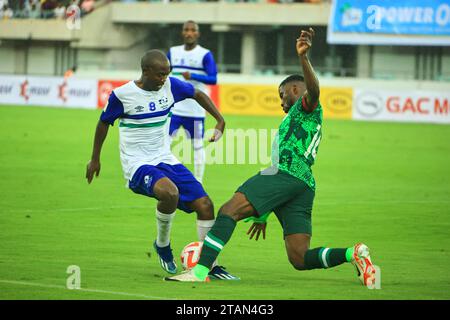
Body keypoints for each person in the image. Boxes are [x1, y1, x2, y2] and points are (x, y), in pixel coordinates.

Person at [166, 28, 377, 285]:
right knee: (299, 257)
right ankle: (353, 254)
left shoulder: (306, 107)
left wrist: (303, 57)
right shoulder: (293, 120)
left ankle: (199, 272)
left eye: (283, 95)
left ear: (297, 89)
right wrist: (263, 214)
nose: (281, 102)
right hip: (303, 184)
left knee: (228, 210)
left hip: (286, 174)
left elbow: (314, 89)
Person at [85, 50, 238, 280]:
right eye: (159, 75)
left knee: (205, 204)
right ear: (145, 71)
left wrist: (220, 119)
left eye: (167, 74)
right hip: (137, 164)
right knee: (170, 193)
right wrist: (95, 158)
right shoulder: (123, 95)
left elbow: (197, 93)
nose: (164, 79)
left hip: (165, 158)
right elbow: (103, 123)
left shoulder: (170, 86)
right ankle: (163, 245)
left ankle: (210, 266)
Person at [167, 20, 218, 183]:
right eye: (186, 30)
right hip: (174, 108)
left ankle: (198, 180)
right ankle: (166, 175)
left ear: (197, 33)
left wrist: (194, 76)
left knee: (197, 146)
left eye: (192, 30)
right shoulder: (173, 52)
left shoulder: (204, 54)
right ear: (182, 32)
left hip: (195, 110)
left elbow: (213, 79)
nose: (189, 33)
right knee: (165, 144)